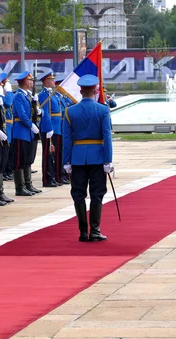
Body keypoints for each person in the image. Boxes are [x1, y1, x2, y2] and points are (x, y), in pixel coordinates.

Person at [63, 74, 113, 243]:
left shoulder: (70, 111)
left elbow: (67, 138)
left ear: (80, 91)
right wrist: (108, 160)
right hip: (98, 157)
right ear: (96, 90)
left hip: (77, 158)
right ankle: (95, 230)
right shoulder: (103, 109)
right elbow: (107, 136)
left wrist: (66, 161)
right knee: (97, 194)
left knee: (78, 194)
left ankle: (83, 232)